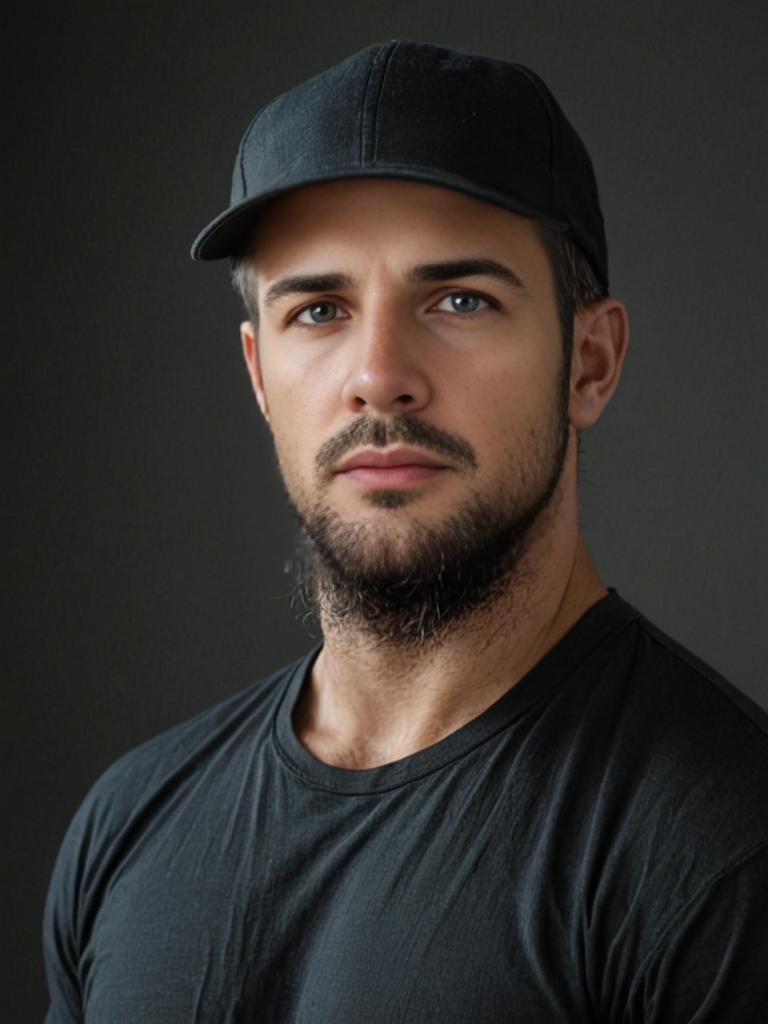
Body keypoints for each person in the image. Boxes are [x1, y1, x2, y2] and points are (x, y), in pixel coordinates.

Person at [43, 40, 768, 1022]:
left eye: (459, 300)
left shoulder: (721, 849)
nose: (378, 373)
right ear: (260, 375)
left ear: (589, 363)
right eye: (321, 309)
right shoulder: (129, 821)